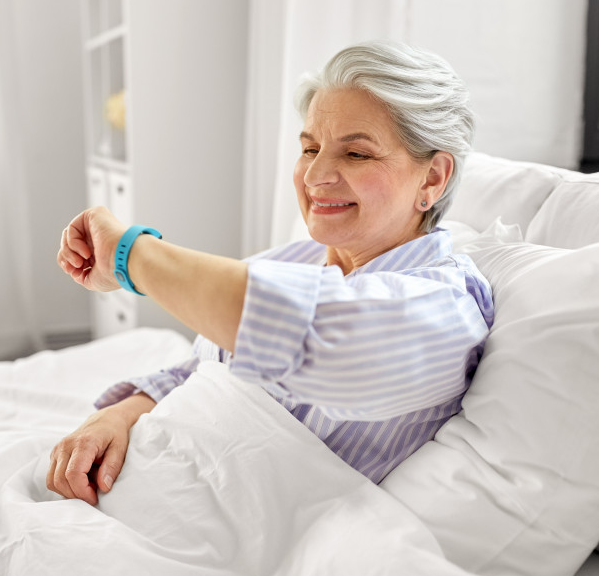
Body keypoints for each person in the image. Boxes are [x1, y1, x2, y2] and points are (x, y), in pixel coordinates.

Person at [47, 40, 494, 505]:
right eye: (310, 148)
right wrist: (121, 415)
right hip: (145, 483)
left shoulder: (444, 305)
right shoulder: (291, 260)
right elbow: (204, 366)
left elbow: (306, 337)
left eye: (356, 154)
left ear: (433, 178)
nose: (316, 175)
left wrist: (131, 256)